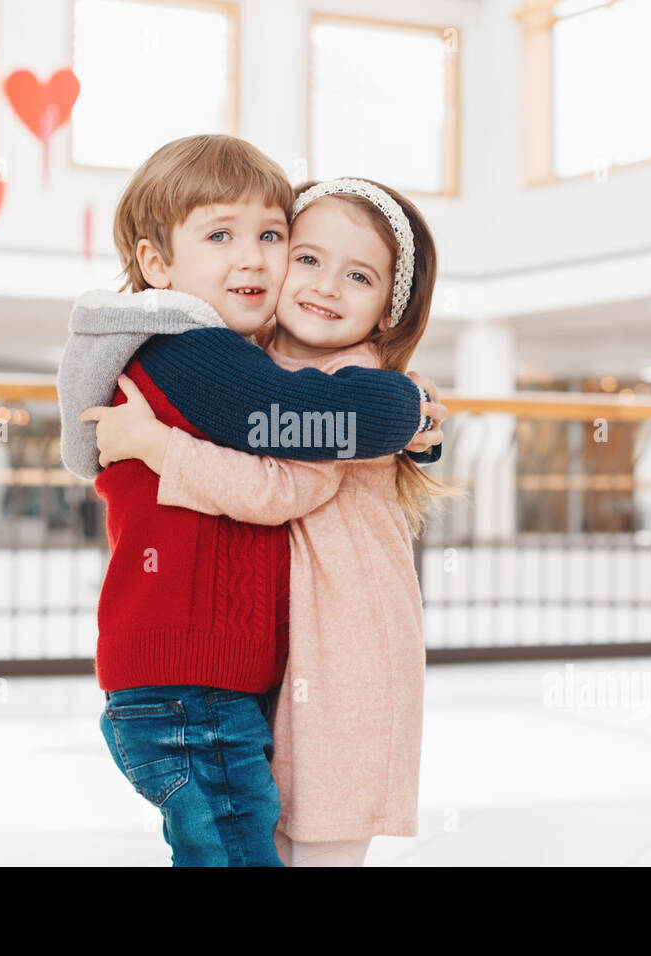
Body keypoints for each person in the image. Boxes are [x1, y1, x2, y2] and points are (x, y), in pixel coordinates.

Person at [56, 135, 445, 866]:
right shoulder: (220, 357)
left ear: (388, 310)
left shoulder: (299, 373)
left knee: (293, 837)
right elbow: (278, 417)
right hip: (229, 670)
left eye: (271, 236)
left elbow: (288, 457)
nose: (319, 284)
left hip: (331, 651)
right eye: (306, 257)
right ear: (156, 260)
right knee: (248, 840)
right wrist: (402, 411)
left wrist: (404, 409)